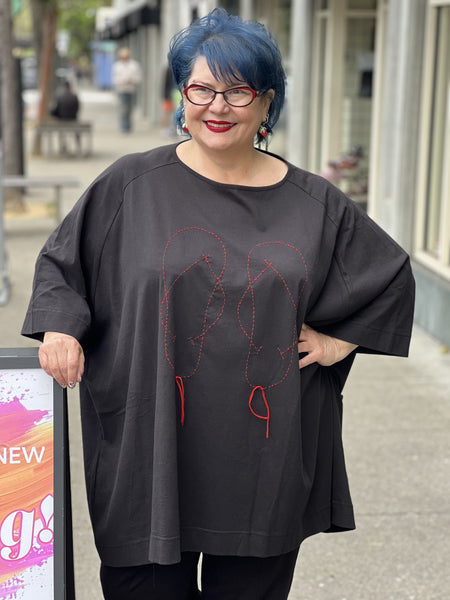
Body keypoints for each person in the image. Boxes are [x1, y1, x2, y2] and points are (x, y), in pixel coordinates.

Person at [22, 9, 415, 600]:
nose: (217, 106)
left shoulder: (315, 204)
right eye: (201, 89)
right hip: (148, 450)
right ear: (182, 96)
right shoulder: (130, 186)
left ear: (267, 103)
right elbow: (61, 267)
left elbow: (390, 276)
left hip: (263, 459)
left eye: (238, 91)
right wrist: (60, 329)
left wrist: (339, 341)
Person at [112, 46, 142, 133]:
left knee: (129, 109)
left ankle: (128, 126)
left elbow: (138, 77)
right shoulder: (117, 66)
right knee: (123, 109)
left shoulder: (134, 65)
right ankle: (124, 127)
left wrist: (131, 80)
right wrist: (121, 81)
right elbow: (114, 78)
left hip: (131, 90)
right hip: (121, 90)